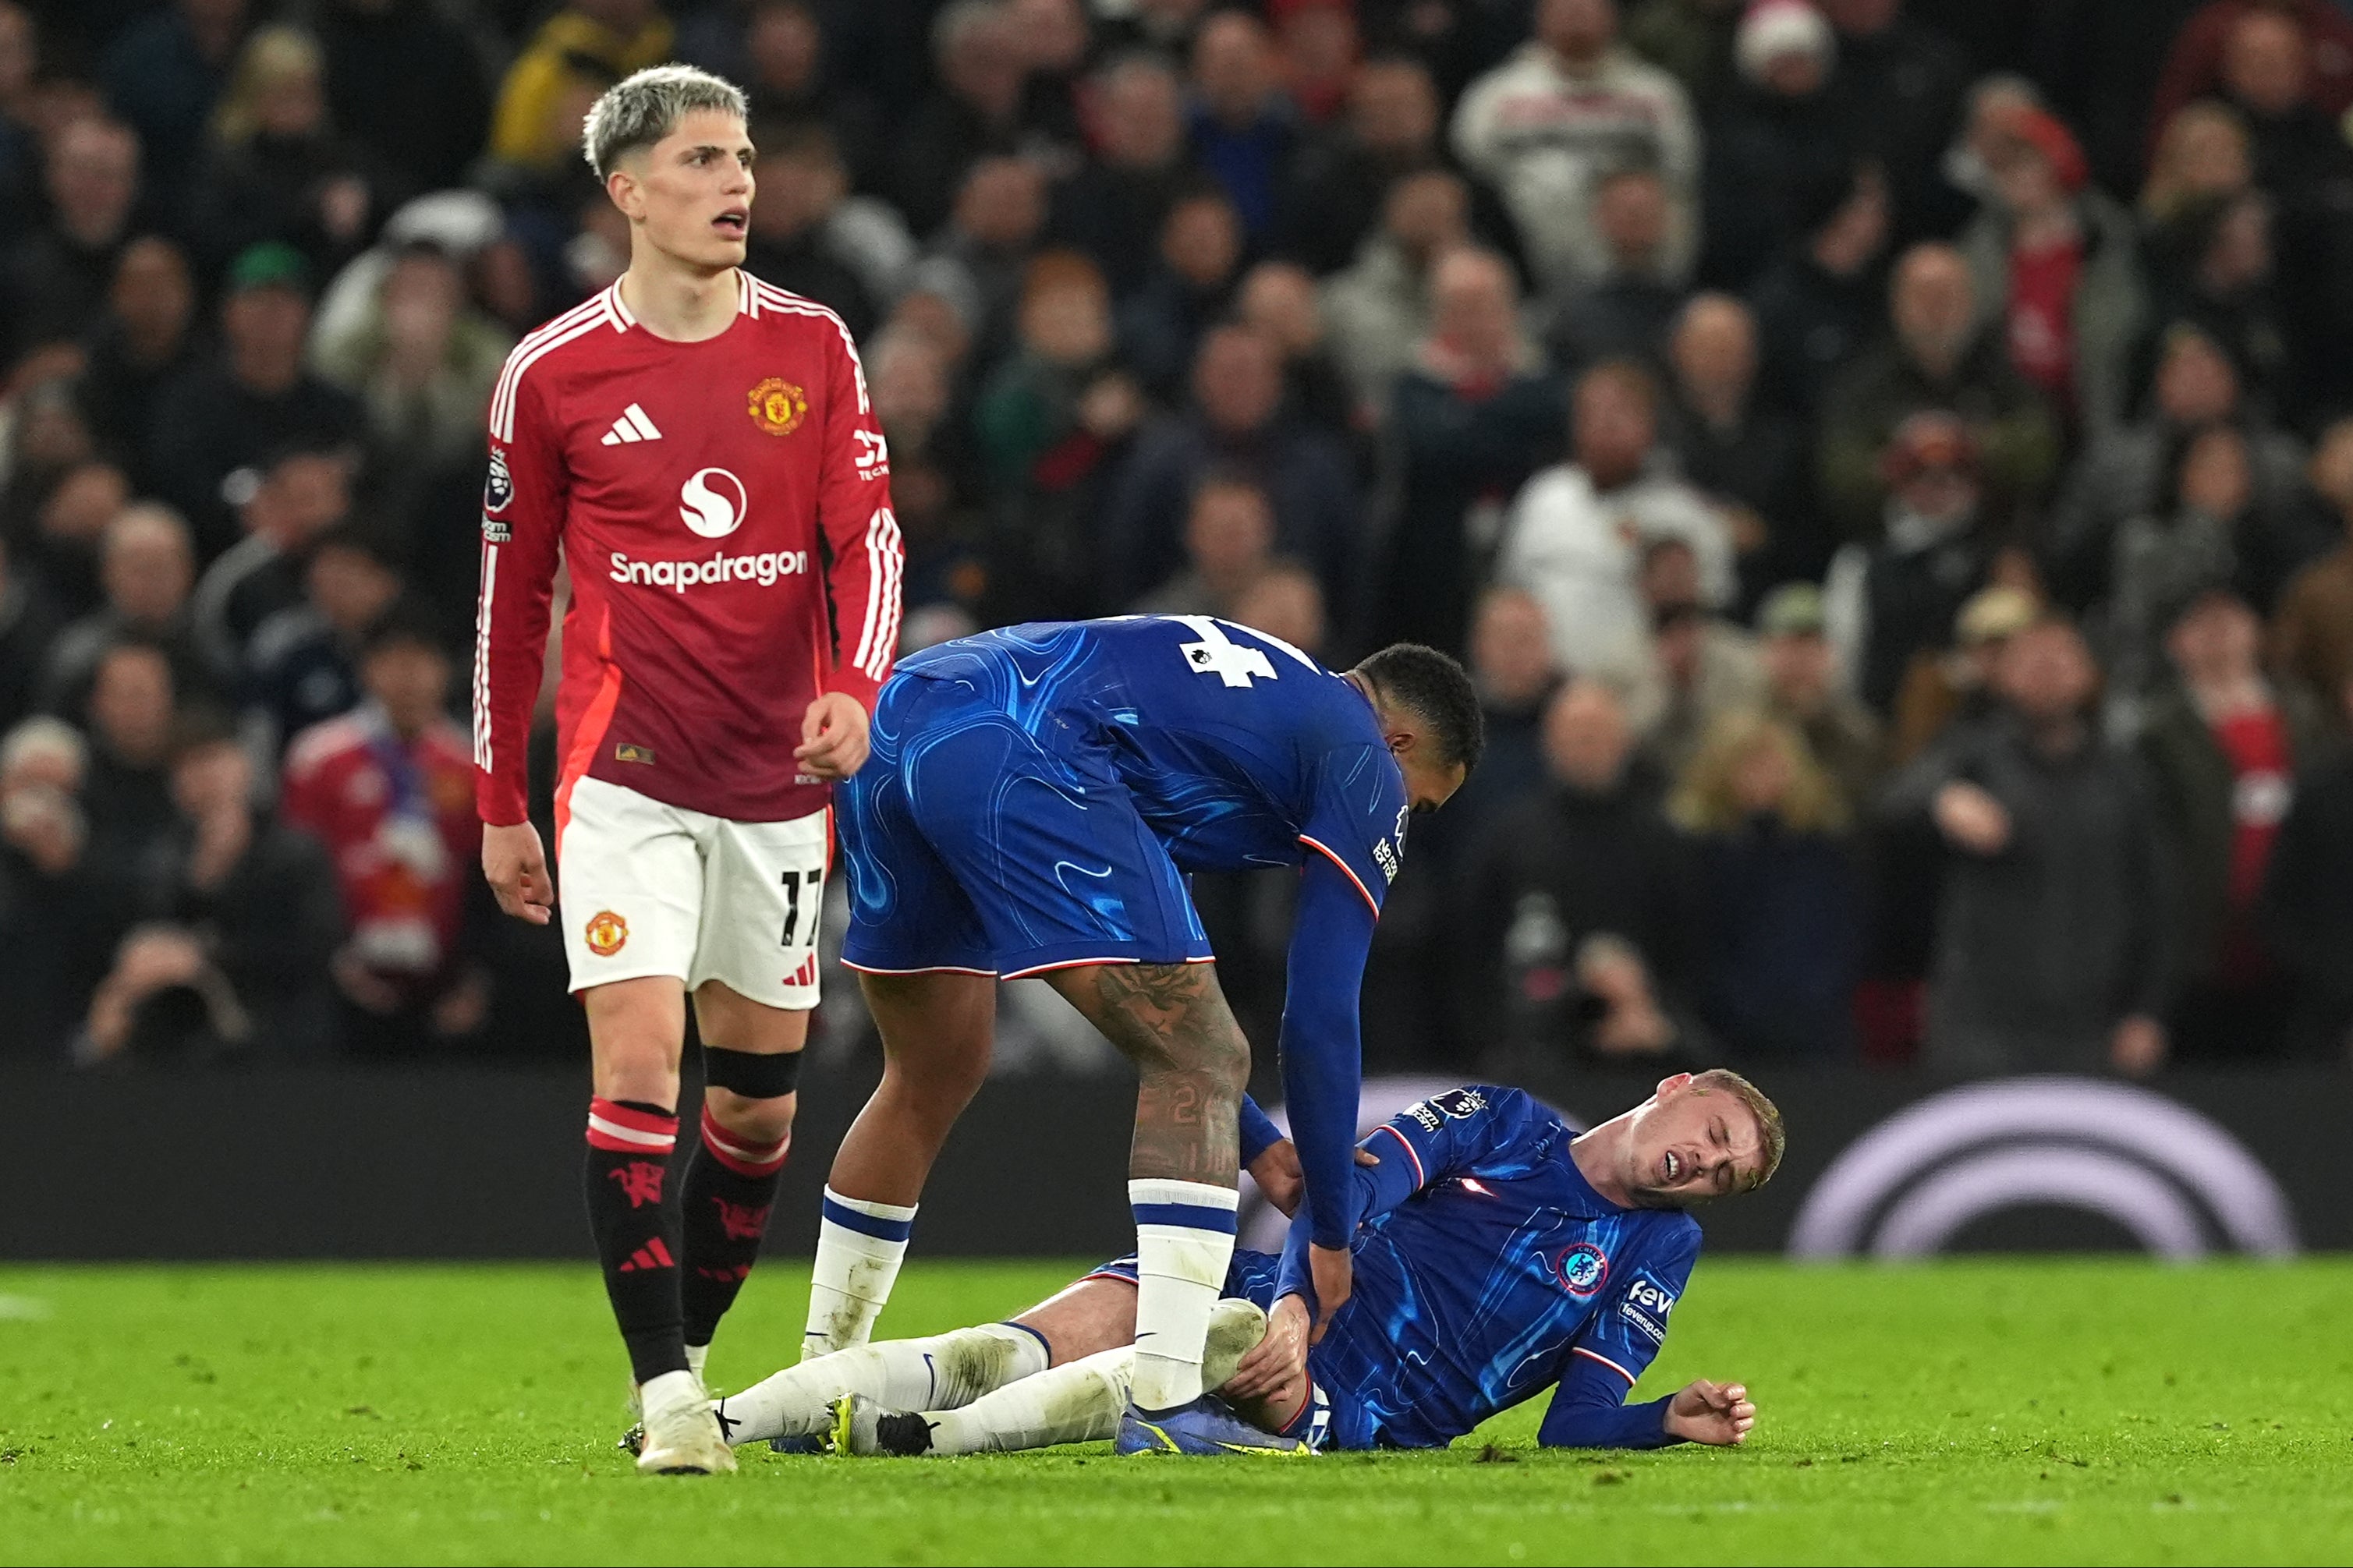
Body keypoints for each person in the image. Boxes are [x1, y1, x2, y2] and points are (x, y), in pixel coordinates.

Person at [470, 65, 902, 1477]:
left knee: (755, 1111)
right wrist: (499, 800)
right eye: (705, 160)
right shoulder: (552, 372)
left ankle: (696, 1362)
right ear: (628, 191)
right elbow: (508, 597)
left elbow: (870, 547)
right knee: (642, 1062)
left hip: (777, 788)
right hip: (625, 781)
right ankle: (666, 1396)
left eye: (744, 157)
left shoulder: (816, 346)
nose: (737, 184)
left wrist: (852, 689)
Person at [814, 616, 1479, 1455]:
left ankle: (819, 1384)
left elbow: (1152, 1017)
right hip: (1023, 737)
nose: (1402, 822)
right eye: (1419, 799)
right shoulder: (1359, 756)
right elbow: (1318, 1013)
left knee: (929, 1071)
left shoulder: (1250, 711)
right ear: (1399, 738)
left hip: (901, 712)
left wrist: (1261, 1144)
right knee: (1203, 1049)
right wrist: (1332, 1236)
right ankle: (1168, 1398)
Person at [708, 1074, 1779, 1457]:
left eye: (1725, 1172)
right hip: (1278, 1301)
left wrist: (1659, 1418)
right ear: (1675, 1084)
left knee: (1201, 1343)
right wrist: (1300, 1304)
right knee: (1010, 1342)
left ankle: (924, 1442)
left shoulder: (1655, 1247)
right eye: (1716, 1127)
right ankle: (730, 1418)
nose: (1705, 1160)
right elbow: (1350, 1187)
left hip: (1344, 1401)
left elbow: (1573, 1424)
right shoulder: (1502, 1121)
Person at [1883, 614, 2178, 1077]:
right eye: (2030, 659)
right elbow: (1890, 802)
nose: (2046, 670)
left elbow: (2157, 898)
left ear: (2088, 674)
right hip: (1981, 1025)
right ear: (2002, 677)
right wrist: (1941, 798)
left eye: (2060, 657)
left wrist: (2147, 1010)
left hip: (2095, 1023)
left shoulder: (2124, 774)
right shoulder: (1970, 754)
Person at [1451, 0, 1699, 301]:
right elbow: (1473, 177)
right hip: (1520, 271)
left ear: (1613, 18)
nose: (1577, 20)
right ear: (1540, 19)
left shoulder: (1656, 94)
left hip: (1643, 279)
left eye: (1587, 10)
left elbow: (1682, 179)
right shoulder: (1495, 96)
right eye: (1566, 11)